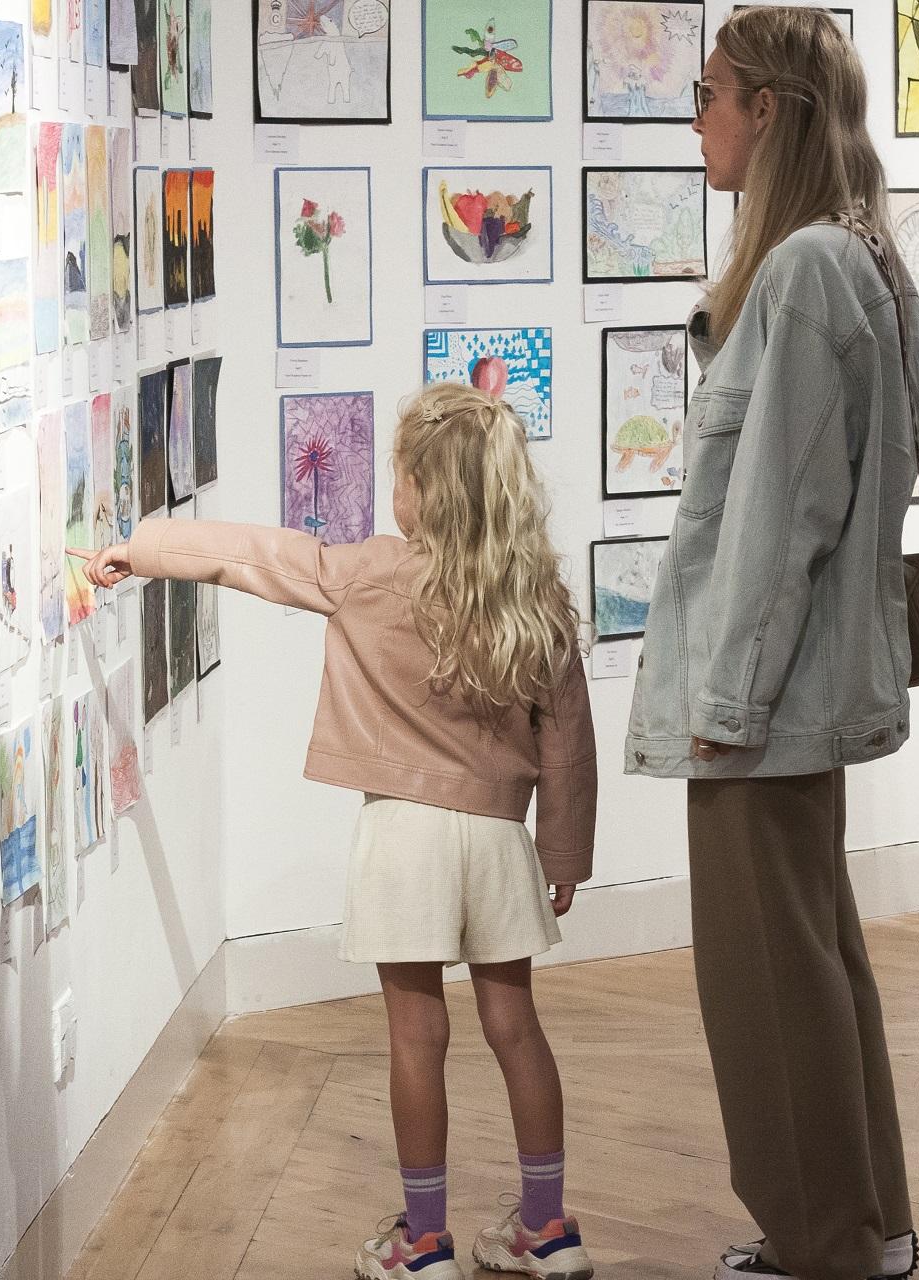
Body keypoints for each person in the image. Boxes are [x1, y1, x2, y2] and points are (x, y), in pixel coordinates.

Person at [76, 383, 599, 1280]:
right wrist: (564, 855)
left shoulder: (372, 573)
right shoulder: (535, 595)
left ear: (423, 489)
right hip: (497, 844)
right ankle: (546, 1229)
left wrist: (143, 548)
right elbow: (570, 743)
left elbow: (254, 558)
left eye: (398, 472)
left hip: (403, 841)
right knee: (516, 1026)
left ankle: (423, 1241)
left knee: (415, 1035)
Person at [623, 8, 919, 1279]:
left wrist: (727, 699)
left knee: (768, 982)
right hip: (803, 689)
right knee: (816, 960)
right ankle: (865, 1224)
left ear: (775, 111)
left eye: (713, 93)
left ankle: (830, 1244)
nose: (699, 115)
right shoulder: (867, 258)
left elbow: (780, 519)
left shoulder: (807, 269)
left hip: (765, 696)